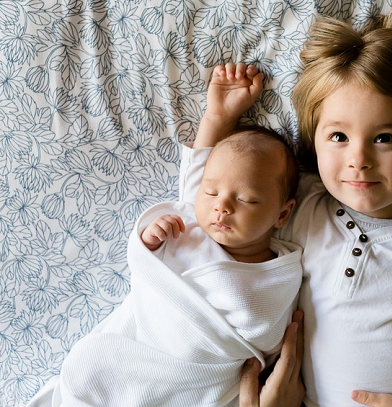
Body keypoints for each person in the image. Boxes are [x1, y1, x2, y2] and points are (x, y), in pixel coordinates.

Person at [211, 5, 392, 407]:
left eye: (384, 138)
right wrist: (219, 121)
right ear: (314, 142)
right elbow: (219, 194)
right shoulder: (301, 207)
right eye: (339, 137)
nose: (358, 159)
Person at [27, 66, 304, 407]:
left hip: (196, 378)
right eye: (211, 192)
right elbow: (199, 170)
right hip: (133, 354)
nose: (222, 207)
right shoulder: (189, 224)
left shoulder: (282, 271)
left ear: (283, 214)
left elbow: (266, 336)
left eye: (246, 199)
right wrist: (149, 241)